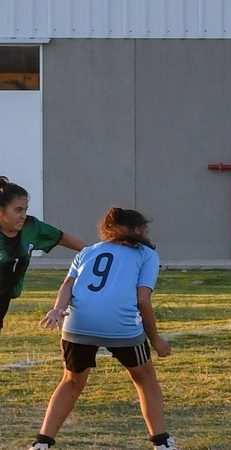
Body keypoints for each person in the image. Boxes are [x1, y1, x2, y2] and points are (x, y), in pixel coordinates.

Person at [30, 207, 178, 449]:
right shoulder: (146, 254)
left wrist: (58, 309)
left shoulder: (88, 251)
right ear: (133, 229)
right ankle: (161, 442)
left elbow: (67, 285)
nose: (146, 233)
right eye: (143, 228)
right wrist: (156, 340)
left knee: (71, 381)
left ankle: (42, 443)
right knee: (145, 378)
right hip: (120, 325)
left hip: (78, 322)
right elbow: (143, 300)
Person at [0, 176, 84, 333]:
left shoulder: (31, 228)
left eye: (25, 210)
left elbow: (62, 238)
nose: (23, 215)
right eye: (18, 210)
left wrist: (97, 252)